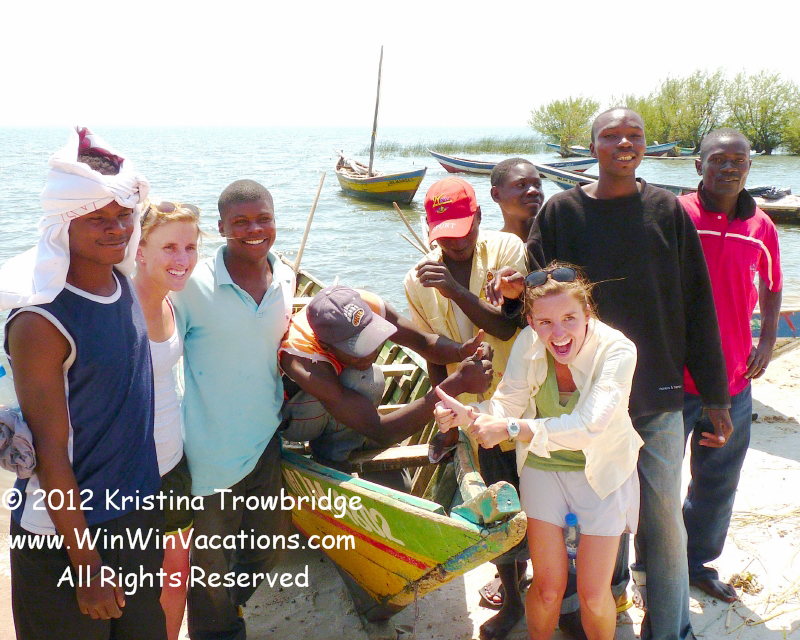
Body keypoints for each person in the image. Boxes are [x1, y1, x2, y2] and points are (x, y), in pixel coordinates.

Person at [489, 108, 733, 640]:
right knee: (601, 506)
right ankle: (602, 603)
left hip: (655, 393)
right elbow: (534, 297)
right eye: (611, 136)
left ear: (645, 145)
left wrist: (716, 395)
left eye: (634, 136)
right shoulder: (561, 212)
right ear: (591, 146)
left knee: (663, 522)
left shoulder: (667, 210)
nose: (624, 143)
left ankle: (669, 629)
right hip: (583, 395)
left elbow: (697, 303)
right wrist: (510, 293)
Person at [1, 127, 165, 639]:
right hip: (66, 538)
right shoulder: (41, 322)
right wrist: (88, 567)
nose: (117, 229)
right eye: (98, 218)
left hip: (134, 517)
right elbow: (51, 450)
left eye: (124, 215)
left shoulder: (121, 283)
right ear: (63, 223)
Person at [435, 264, 643, 640]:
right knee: (548, 589)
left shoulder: (617, 349)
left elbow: (589, 426)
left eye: (569, 319)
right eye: (545, 322)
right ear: (531, 321)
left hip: (603, 473)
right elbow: (506, 405)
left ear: (587, 313)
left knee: (594, 595)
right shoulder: (528, 343)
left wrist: (513, 429)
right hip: (543, 469)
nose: (558, 334)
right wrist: (465, 415)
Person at [403, 177, 529, 640]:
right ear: (429, 229)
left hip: (525, 399)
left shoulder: (508, 251)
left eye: (464, 230)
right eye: (445, 235)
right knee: (498, 502)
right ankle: (513, 597)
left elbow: (507, 326)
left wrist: (456, 290)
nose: (456, 243)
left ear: (478, 217)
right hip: (473, 410)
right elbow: (431, 350)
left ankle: (547, 577)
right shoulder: (416, 280)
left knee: (542, 494)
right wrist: (445, 417)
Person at [172, 179, 295, 640]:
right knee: (210, 567)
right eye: (240, 222)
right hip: (209, 453)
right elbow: (160, 356)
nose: (254, 230)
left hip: (266, 442)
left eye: (263, 219)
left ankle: (231, 611)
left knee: (267, 548)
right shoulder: (190, 286)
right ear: (221, 227)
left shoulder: (285, 276)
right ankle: (218, 630)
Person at [678, 128, 782, 602]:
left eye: (738, 160)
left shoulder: (762, 226)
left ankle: (696, 563)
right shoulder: (677, 214)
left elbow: (773, 285)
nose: (729, 167)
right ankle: (649, 563)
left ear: (749, 168)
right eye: (718, 159)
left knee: (717, 482)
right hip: (674, 378)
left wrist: (768, 340)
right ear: (699, 165)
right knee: (652, 481)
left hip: (734, 378)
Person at [279, 284, 494, 471]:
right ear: (326, 346)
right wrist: (457, 383)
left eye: (371, 337)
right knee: (364, 380)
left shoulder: (365, 306)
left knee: (368, 377)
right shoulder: (303, 362)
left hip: (342, 401)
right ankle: (330, 458)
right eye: (358, 346)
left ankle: (353, 432)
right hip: (298, 419)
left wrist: (461, 351)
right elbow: (381, 431)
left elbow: (423, 342)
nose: (372, 351)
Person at [133, 200, 202, 640]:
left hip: (173, 463)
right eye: (169, 247)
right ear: (140, 249)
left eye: (190, 247)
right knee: (130, 581)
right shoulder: (118, 306)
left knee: (176, 577)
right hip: (127, 474)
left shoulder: (173, 303)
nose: (182, 259)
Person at [490, 158, 545, 242]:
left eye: (537, 185)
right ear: (496, 195)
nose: (534, 191)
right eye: (521, 185)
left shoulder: (558, 240)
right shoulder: (490, 245)